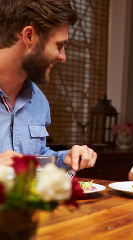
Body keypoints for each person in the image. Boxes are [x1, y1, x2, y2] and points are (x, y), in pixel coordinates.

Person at [0, 0, 97, 171]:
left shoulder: (39, 101)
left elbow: (35, 157)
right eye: (59, 45)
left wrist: (65, 159)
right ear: (29, 36)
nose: (62, 57)